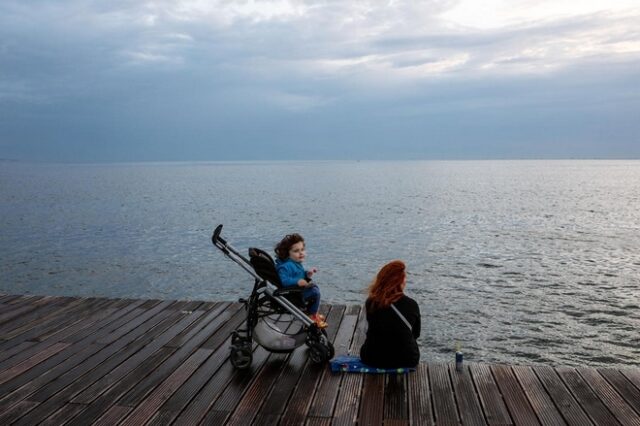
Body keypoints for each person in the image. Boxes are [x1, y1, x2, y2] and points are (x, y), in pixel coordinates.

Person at [360, 260, 421, 368]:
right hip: (407, 360)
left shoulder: (371, 302)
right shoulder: (412, 305)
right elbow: (416, 334)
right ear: (400, 282)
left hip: (373, 358)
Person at [275, 233, 327, 328]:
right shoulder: (285, 267)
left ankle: (312, 313)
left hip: (297, 291)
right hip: (292, 295)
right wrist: (297, 281)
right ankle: (313, 315)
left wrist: (307, 274)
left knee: (314, 288)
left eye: (302, 250)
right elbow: (284, 280)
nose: (301, 253)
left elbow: (299, 274)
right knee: (315, 292)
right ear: (287, 253)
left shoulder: (295, 263)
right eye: (296, 251)